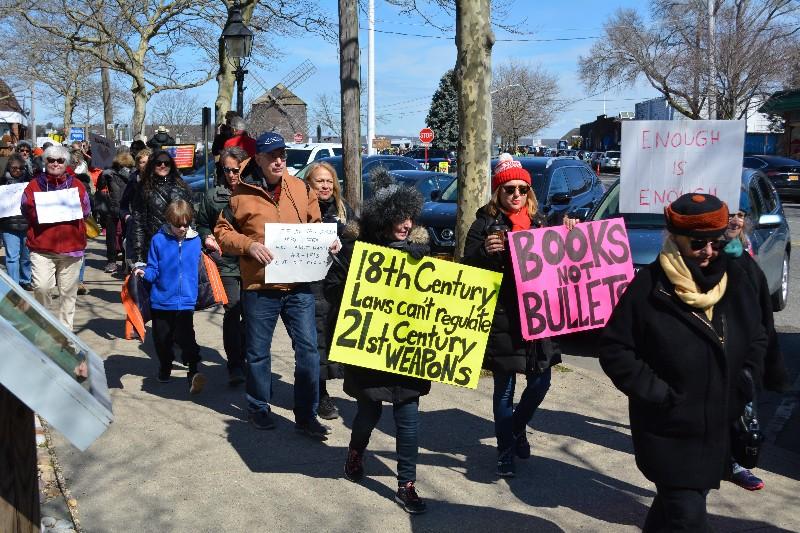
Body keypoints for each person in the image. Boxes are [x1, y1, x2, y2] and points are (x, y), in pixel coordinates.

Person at [599, 193, 766, 532]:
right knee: (687, 516)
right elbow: (615, 349)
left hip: (716, 427)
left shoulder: (733, 278)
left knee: (675, 510)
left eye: (715, 244)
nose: (707, 253)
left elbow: (758, 334)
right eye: (698, 244)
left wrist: (745, 378)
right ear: (675, 239)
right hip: (668, 431)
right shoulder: (648, 287)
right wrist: (660, 395)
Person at [215, 132, 338, 437]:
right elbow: (222, 232)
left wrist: (327, 241)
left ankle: (307, 415)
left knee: (309, 352)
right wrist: (248, 245)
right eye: (272, 155)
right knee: (258, 353)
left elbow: (314, 225)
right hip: (260, 288)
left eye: (282, 154)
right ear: (257, 159)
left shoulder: (300, 188)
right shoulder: (239, 193)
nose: (279, 160)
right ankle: (258, 407)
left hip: (298, 287)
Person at [461, 153, 575, 477]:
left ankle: (515, 427)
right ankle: (505, 451)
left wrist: (570, 233)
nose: (516, 195)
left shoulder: (540, 222)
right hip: (502, 318)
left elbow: (562, 264)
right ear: (498, 191)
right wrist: (485, 252)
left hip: (538, 316)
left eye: (522, 189)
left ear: (529, 192)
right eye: (509, 189)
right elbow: (466, 266)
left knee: (541, 381)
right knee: (505, 389)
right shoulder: (484, 223)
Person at [324, 169, 430, 514]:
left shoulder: (423, 251)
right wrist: (348, 283)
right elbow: (331, 290)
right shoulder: (356, 251)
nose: (406, 223)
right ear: (383, 219)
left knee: (409, 419)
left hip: (408, 350)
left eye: (409, 216)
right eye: (399, 217)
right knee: (367, 413)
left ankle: (406, 483)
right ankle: (356, 453)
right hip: (371, 351)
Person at [722, 189, 789, 492]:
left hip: (744, 352)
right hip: (715, 349)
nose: (735, 220)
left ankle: (735, 462)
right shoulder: (706, 253)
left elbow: (763, 311)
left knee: (744, 413)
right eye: (729, 214)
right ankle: (726, 462)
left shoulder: (746, 255)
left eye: (740, 214)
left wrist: (767, 359)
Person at [133, 199, 206, 394]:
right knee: (162, 338)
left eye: (186, 224)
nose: (182, 228)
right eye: (178, 225)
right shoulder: (159, 240)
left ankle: (193, 370)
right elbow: (154, 268)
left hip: (186, 300)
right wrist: (144, 272)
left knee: (186, 336)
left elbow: (198, 269)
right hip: (162, 299)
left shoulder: (195, 240)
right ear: (169, 222)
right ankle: (165, 366)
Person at [20, 144, 91, 331]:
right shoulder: (34, 185)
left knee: (68, 295)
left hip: (71, 248)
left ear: (66, 163)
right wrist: (43, 213)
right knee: (41, 287)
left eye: (60, 160)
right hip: (42, 247)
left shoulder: (77, 185)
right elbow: (25, 208)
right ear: (45, 162)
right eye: (51, 160)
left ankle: (65, 337)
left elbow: (85, 211)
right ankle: (44, 328)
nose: (55, 164)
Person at [304, 161, 354, 420]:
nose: (324, 185)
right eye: (318, 181)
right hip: (310, 285)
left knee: (337, 336)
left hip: (338, 285)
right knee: (315, 340)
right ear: (308, 184)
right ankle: (320, 394)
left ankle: (347, 385)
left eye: (328, 181)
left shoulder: (345, 212)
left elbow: (358, 243)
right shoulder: (300, 210)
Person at [196, 146, 248, 386]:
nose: (231, 174)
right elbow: (202, 222)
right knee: (232, 311)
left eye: (236, 170)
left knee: (252, 314)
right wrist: (206, 236)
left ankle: (250, 358)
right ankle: (235, 365)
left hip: (254, 262)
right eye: (226, 170)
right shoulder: (213, 195)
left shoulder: (257, 193)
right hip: (225, 263)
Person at [130, 150, 193, 267]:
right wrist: (138, 254)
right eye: (158, 163)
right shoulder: (143, 188)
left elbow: (191, 218)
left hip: (179, 246)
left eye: (166, 163)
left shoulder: (182, 187)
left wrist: (191, 245)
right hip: (152, 248)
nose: (163, 165)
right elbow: (138, 222)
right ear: (152, 165)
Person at [96, 152, 135, 274]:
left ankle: (119, 262)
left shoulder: (128, 172)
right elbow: (100, 185)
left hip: (121, 207)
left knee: (120, 236)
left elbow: (99, 186)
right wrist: (103, 175)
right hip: (119, 208)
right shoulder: (113, 172)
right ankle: (117, 262)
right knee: (117, 237)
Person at [1, 154, 33, 289]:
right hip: (8, 226)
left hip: (26, 225)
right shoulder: (2, 183)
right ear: (9, 168)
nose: (17, 171)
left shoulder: (30, 183)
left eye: (20, 168)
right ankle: (13, 285)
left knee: (26, 256)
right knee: (12, 257)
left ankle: (25, 280)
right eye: (14, 168)